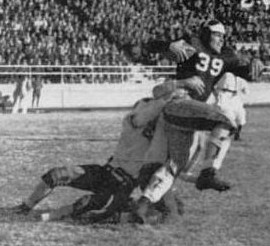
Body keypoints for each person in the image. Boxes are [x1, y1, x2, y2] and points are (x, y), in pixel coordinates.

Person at [132, 19, 251, 223]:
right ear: (205, 34)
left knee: (175, 165)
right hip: (179, 103)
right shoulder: (192, 46)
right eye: (216, 34)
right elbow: (149, 48)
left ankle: (142, 206)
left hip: (188, 116)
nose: (220, 39)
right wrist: (166, 45)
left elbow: (243, 68)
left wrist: (248, 67)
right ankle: (208, 172)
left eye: (223, 36)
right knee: (226, 122)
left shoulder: (225, 55)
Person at [11, 86, 176, 223]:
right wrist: (168, 99)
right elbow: (145, 114)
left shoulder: (161, 130)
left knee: (93, 208)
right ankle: (26, 206)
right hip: (107, 171)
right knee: (55, 175)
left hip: (124, 183)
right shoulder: (134, 120)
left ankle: (53, 216)